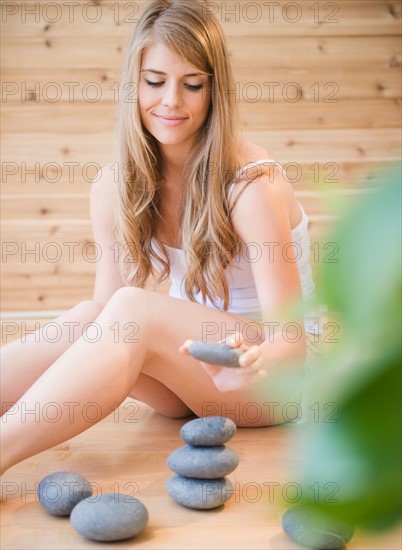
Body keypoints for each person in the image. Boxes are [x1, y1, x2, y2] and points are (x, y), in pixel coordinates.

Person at [0, 0, 321, 475]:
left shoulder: (253, 187)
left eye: (192, 85)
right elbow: (102, 322)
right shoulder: (114, 186)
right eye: (155, 81)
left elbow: (291, 341)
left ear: (215, 93)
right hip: (189, 377)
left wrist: (248, 360)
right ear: (134, 84)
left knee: (132, 308)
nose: (171, 100)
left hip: (273, 379)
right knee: (94, 315)